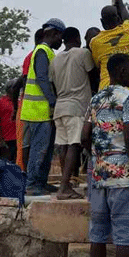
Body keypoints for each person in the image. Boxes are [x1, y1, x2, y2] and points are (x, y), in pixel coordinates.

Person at [82, 53, 129, 257]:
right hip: (123, 178)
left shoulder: (95, 99)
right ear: (121, 72)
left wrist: (97, 156)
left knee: (97, 235)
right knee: (124, 237)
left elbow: (84, 136)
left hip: (98, 177)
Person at [49, 27, 96, 200]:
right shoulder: (83, 53)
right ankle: (64, 187)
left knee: (63, 145)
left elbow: (52, 85)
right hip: (76, 107)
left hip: (60, 107)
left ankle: (66, 183)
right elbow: (93, 77)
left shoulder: (55, 60)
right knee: (74, 145)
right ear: (77, 38)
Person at [21, 19, 65, 195]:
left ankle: (41, 182)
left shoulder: (48, 52)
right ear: (54, 33)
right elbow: (41, 78)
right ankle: (32, 184)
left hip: (43, 111)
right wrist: (52, 100)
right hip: (37, 110)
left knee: (46, 150)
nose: (61, 42)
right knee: (39, 149)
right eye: (60, 37)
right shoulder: (41, 51)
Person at [90, 0, 129, 91]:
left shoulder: (95, 42)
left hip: (105, 89)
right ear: (118, 19)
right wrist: (120, 1)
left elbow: (97, 64)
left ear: (102, 21)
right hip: (126, 89)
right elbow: (127, 18)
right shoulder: (126, 31)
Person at [16, 28, 47, 171]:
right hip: (32, 107)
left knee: (27, 144)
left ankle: (26, 173)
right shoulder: (36, 55)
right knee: (30, 144)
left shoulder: (32, 55)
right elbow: (24, 80)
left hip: (29, 105)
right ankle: (27, 174)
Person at [0, 79, 19, 161]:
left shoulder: (20, 101)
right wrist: (0, 138)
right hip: (6, 139)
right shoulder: (0, 102)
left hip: (18, 138)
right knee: (3, 163)